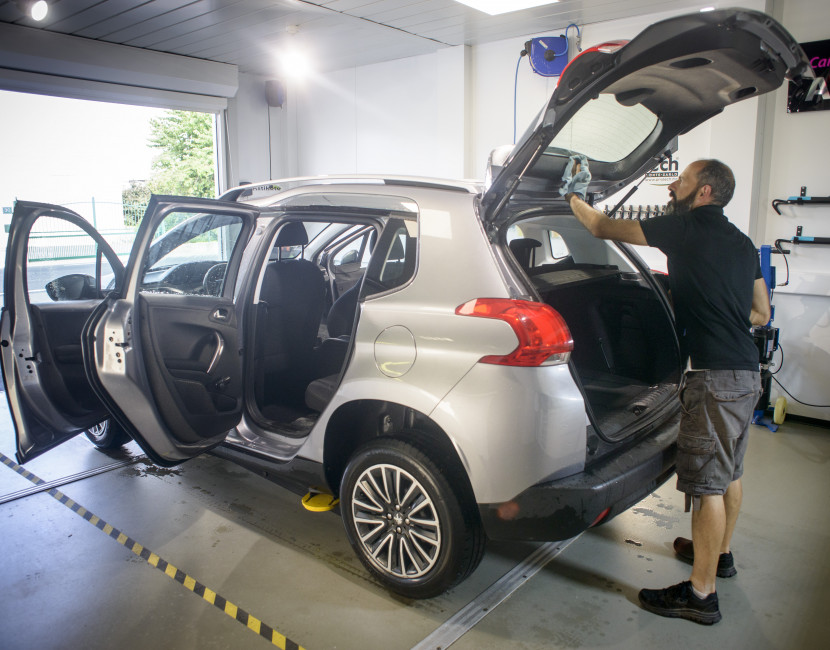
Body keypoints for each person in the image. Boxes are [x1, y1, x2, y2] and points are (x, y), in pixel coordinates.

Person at [560, 156, 770, 625]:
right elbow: (761, 312)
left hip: (713, 379)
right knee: (730, 472)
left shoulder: (687, 228)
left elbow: (599, 228)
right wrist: (722, 320)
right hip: (744, 374)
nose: (672, 186)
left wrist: (572, 197)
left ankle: (700, 594)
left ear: (705, 193)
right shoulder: (742, 243)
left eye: (683, 180)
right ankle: (721, 556)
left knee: (708, 485)